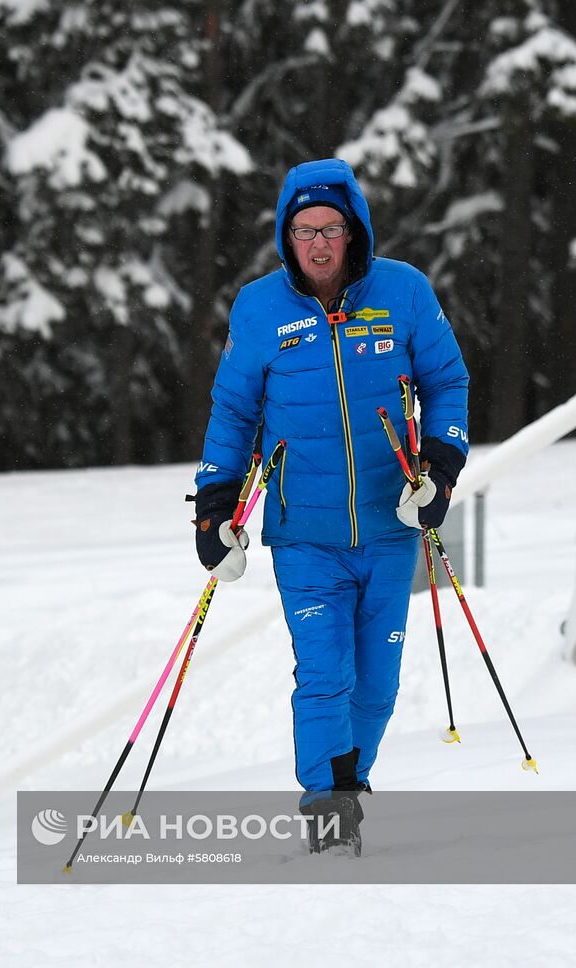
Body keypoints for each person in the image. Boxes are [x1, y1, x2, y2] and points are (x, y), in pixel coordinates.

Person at [193, 158, 469, 854]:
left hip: (388, 525)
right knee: (324, 674)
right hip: (303, 533)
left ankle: (350, 785)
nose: (317, 243)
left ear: (353, 233)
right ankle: (327, 808)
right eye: (303, 229)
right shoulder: (258, 308)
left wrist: (438, 469)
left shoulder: (402, 292)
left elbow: (446, 380)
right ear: (285, 237)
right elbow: (231, 413)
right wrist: (213, 505)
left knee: (375, 685)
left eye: (330, 228)